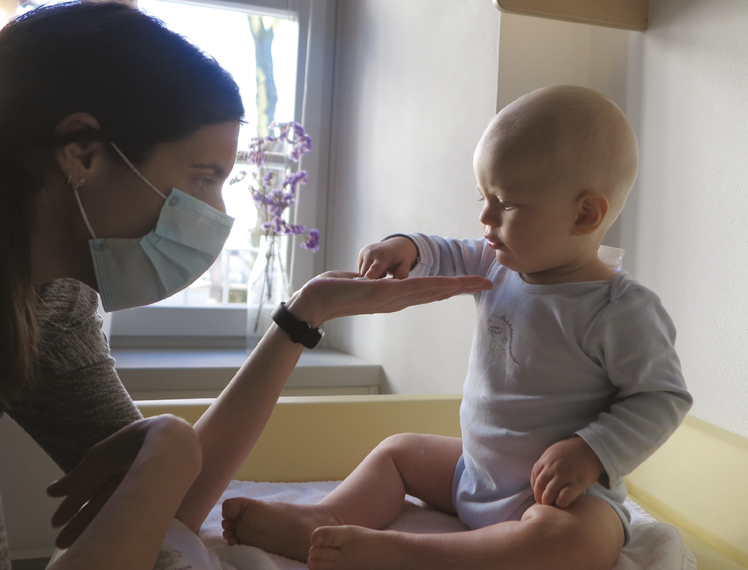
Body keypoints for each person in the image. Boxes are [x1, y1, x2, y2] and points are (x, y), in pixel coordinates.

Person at [0, 3, 492, 569]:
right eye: (202, 177)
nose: (214, 210)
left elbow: (168, 503)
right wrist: (168, 448)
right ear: (82, 152)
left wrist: (305, 315)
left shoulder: (54, 305)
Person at [220, 86, 694, 570]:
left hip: (558, 496)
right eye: (483, 197)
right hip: (473, 472)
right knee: (399, 451)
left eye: (505, 203)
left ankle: (407, 554)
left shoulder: (620, 309)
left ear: (584, 214)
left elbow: (661, 397)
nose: (485, 217)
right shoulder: (496, 263)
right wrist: (407, 246)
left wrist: (592, 450)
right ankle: (323, 518)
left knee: (576, 544)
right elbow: (446, 251)